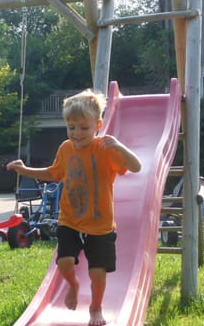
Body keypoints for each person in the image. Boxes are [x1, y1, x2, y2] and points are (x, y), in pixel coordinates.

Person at [7, 89, 141, 326]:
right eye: (71, 127)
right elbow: (53, 173)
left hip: (100, 226)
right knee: (64, 263)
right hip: (69, 219)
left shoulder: (105, 149)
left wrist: (120, 146)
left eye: (84, 128)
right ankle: (73, 285)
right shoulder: (66, 149)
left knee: (97, 273)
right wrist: (25, 169)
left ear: (98, 125)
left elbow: (136, 167)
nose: (77, 133)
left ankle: (96, 308)